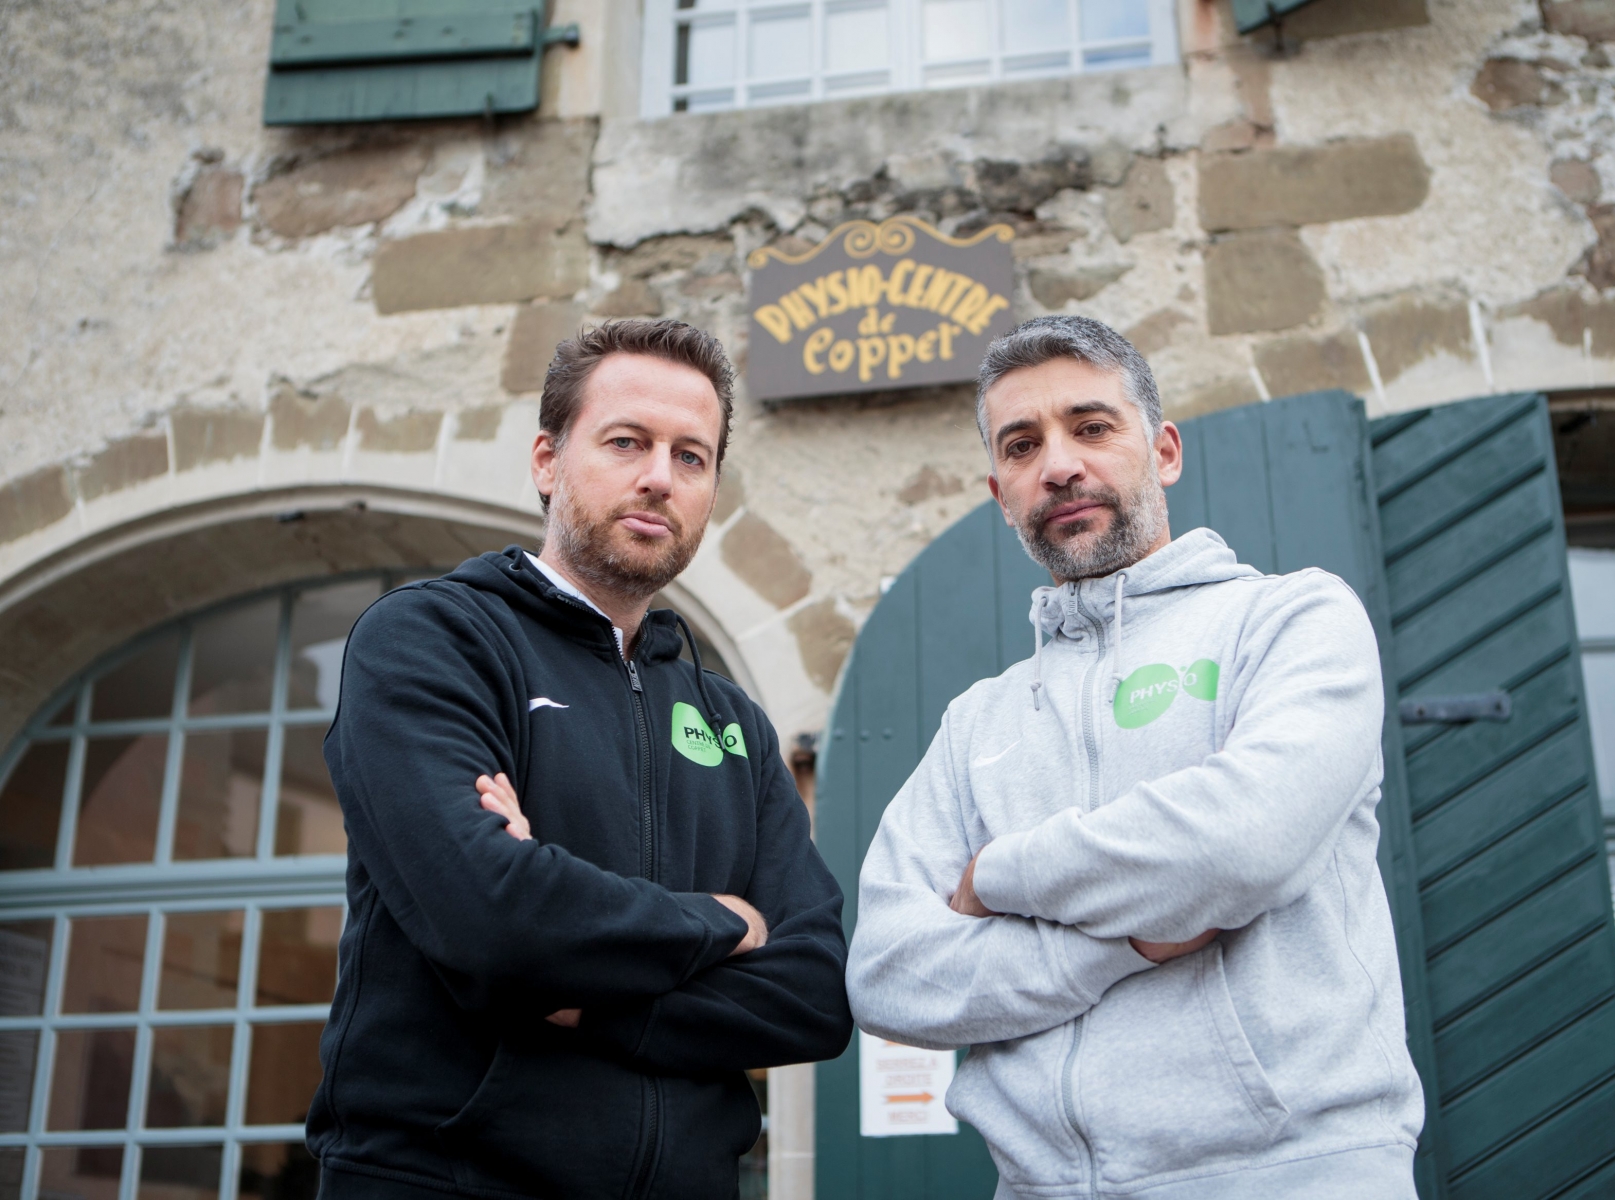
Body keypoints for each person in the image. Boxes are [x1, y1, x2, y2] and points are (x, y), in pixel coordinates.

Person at [845, 314, 1423, 1199]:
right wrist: (1124, 948)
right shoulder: (978, 723)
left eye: (1091, 426)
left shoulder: (1291, 621)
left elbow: (1243, 841)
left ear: (1164, 451)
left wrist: (1002, 875)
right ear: (1000, 492)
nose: (1061, 464)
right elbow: (887, 973)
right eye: (1024, 444)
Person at [307, 320, 853, 1200]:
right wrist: (720, 921)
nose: (658, 478)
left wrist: (577, 994)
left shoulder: (733, 722)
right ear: (547, 461)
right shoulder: (434, 641)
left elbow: (814, 994)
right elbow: (490, 917)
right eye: (627, 442)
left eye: (692, 456)